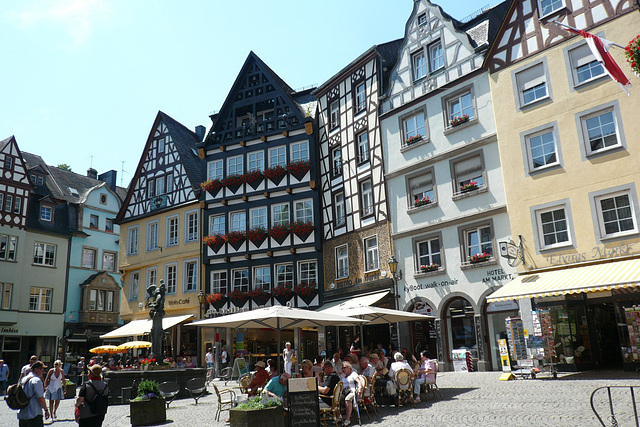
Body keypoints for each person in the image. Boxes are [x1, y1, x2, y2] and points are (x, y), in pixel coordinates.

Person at [18, 360, 50, 426]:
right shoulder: (36, 380)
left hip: (23, 415)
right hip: (34, 414)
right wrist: (46, 410)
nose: (43, 371)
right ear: (35, 369)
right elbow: (40, 397)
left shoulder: (24, 379)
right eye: (42, 369)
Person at [340, 362, 364, 426]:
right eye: (342, 368)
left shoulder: (353, 374)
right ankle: (338, 416)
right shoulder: (342, 375)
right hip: (343, 391)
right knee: (336, 399)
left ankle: (347, 419)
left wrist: (360, 388)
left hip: (352, 391)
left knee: (347, 399)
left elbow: (359, 381)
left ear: (349, 368)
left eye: (344, 368)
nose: (343, 369)